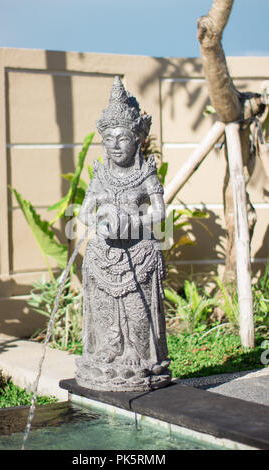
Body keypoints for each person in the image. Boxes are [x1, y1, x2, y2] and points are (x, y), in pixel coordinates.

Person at [75, 76, 171, 391]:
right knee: (104, 311)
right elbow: (85, 212)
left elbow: (160, 213)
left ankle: (138, 354)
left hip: (139, 255)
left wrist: (132, 224)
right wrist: (102, 222)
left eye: (123, 138)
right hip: (103, 256)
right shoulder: (99, 176)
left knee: (135, 309)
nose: (115, 146)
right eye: (109, 140)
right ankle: (106, 351)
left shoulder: (145, 175)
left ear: (137, 140)